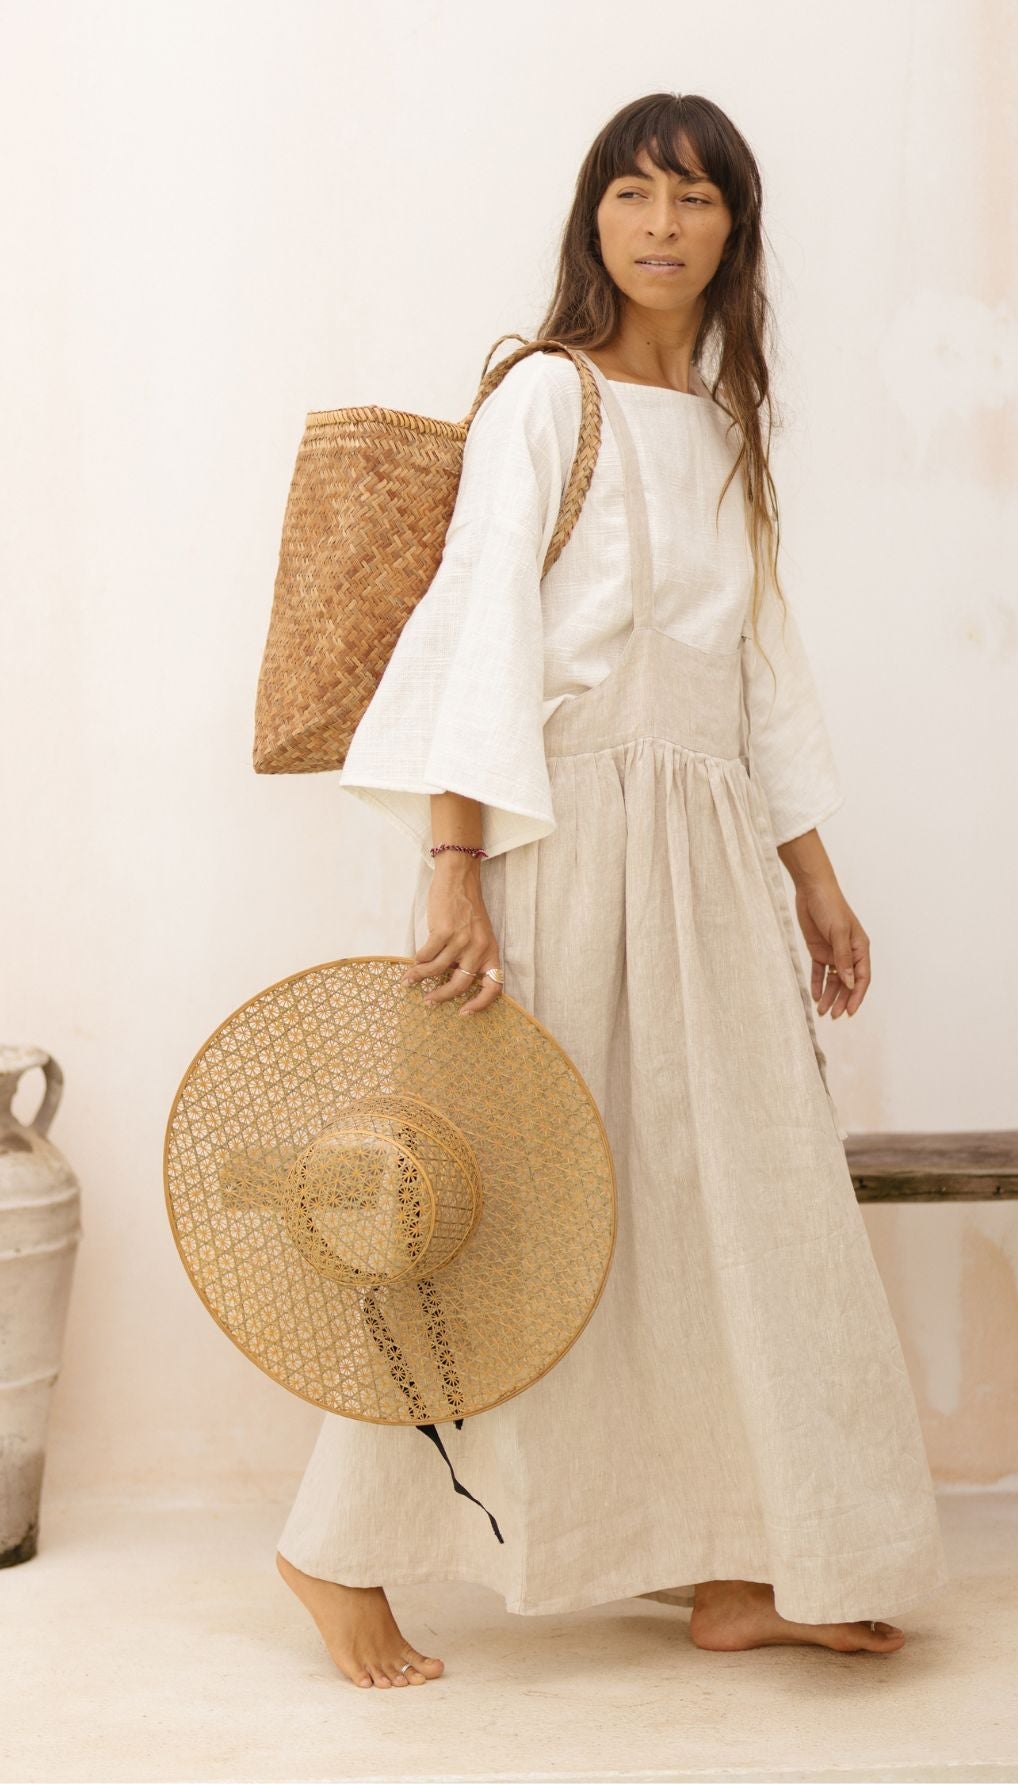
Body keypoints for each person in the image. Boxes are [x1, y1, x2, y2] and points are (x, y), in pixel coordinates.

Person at [275, 91, 950, 1690]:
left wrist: (819, 883)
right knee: (500, 1204)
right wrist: (454, 868)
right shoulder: (544, 402)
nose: (663, 225)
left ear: (737, 231)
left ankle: (732, 1565)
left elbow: (758, 677)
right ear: (595, 220)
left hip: (711, 865)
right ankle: (332, 1547)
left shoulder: (725, 432)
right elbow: (475, 638)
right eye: (634, 194)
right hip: (560, 848)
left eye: (696, 199)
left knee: (739, 1204)